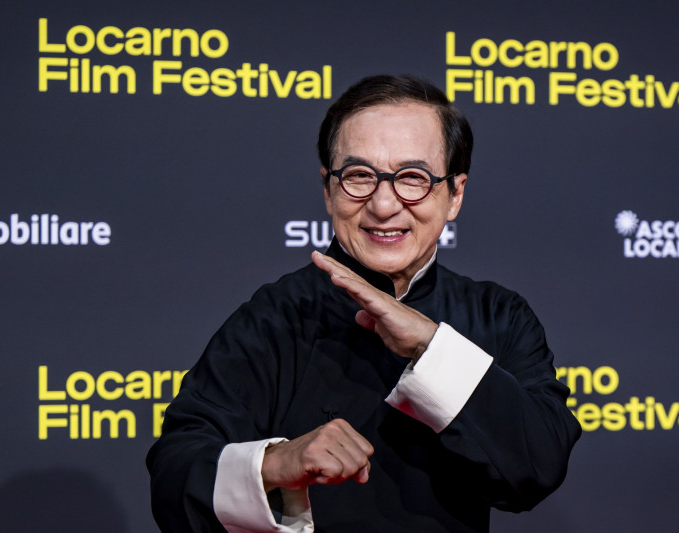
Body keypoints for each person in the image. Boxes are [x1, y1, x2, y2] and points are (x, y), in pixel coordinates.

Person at [146, 74, 581, 532]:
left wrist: (431, 347)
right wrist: (274, 463)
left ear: (455, 194)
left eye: (413, 178)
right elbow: (175, 476)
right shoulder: (277, 317)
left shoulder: (499, 316)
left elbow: (537, 468)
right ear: (328, 190)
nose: (383, 204)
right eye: (359, 176)